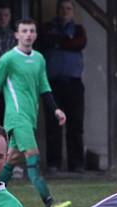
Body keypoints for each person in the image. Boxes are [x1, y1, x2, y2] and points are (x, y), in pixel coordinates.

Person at [0, 18, 72, 207]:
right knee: (33, 156)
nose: (28, 34)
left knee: (11, 160)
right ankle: (49, 203)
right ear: (17, 35)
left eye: (32, 31)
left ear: (36, 35)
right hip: (16, 117)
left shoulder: (39, 58)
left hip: (29, 118)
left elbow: (44, 87)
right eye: (24, 31)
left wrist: (56, 109)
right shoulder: (8, 59)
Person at [40, 0, 87, 173]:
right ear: (57, 10)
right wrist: (66, 41)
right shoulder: (47, 27)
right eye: (62, 8)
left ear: (73, 11)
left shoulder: (78, 29)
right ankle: (54, 163)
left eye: (68, 9)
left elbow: (79, 43)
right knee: (53, 125)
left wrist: (60, 42)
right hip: (52, 84)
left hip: (74, 83)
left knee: (75, 123)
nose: (65, 11)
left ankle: (76, 163)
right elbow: (46, 39)